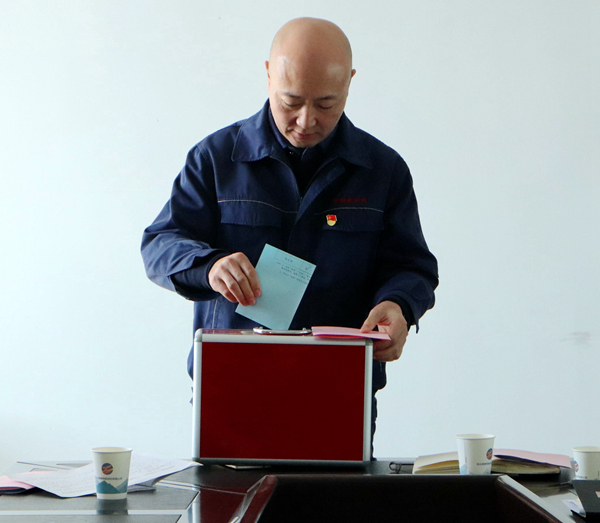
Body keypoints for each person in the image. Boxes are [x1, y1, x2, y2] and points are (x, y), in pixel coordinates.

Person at [141, 17, 438, 445]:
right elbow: (160, 244)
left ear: (350, 83)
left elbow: (412, 266)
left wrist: (400, 306)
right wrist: (209, 266)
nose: (305, 120)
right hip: (231, 389)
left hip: (340, 390)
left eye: (326, 104)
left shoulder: (383, 170)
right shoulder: (216, 159)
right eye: (291, 101)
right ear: (268, 75)